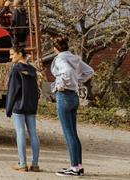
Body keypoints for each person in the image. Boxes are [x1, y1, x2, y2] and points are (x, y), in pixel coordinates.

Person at [51, 37, 94, 177]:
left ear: (55, 48)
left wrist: (60, 85)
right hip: (74, 96)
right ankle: (78, 166)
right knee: (73, 134)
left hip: (64, 95)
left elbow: (68, 72)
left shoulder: (60, 58)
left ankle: (74, 168)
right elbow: (90, 71)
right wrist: (77, 81)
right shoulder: (74, 58)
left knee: (69, 134)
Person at [6, 44, 40, 172]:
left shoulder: (16, 70)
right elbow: (36, 90)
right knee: (33, 133)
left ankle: (23, 164)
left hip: (19, 106)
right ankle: (35, 164)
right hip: (31, 106)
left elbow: (12, 90)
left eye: (12, 54)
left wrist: (9, 108)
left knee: (20, 133)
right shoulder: (33, 70)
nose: (10, 57)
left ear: (20, 54)